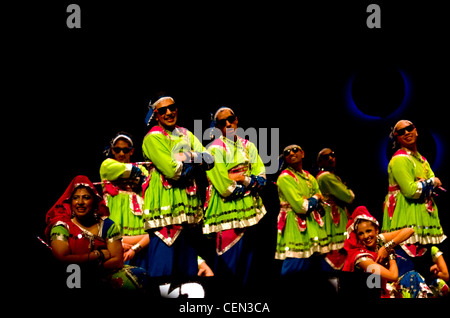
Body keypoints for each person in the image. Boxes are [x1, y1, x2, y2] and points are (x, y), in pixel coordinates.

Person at [142, 95, 214, 278]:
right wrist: (194, 157)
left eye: (172, 107)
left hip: (188, 210)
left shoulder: (186, 133)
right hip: (164, 209)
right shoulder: (152, 138)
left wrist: (185, 156)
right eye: (163, 110)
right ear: (156, 115)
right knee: (163, 273)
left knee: (188, 273)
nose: (169, 112)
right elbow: (174, 171)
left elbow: (210, 159)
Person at [45, 175, 149, 291]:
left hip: (103, 276)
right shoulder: (62, 226)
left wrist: (90, 267)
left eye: (86, 197)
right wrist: (97, 255)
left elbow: (117, 260)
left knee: (138, 276)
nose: (80, 202)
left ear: (94, 201)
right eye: (76, 198)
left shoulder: (107, 225)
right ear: (70, 202)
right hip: (72, 275)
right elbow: (62, 258)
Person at [203, 107, 267, 288]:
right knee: (228, 266)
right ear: (217, 127)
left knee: (249, 266)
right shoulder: (213, 149)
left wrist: (241, 177)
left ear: (236, 119)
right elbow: (224, 187)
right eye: (222, 123)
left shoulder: (248, 146)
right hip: (226, 211)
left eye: (230, 119)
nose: (228, 124)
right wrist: (248, 181)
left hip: (251, 212)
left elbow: (262, 176)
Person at [382, 120, 446, 274]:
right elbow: (411, 191)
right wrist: (430, 183)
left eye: (409, 129)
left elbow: (437, 186)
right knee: (405, 273)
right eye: (401, 132)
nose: (406, 133)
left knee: (422, 275)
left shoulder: (422, 160)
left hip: (421, 220)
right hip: (404, 218)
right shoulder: (400, 159)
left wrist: (427, 183)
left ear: (416, 131)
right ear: (397, 138)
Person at [275, 144, 331, 275]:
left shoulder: (309, 177)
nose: (291, 153)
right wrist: (315, 198)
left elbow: (319, 200)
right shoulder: (285, 178)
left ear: (303, 153)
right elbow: (302, 207)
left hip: (312, 224)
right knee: (295, 264)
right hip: (294, 225)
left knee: (315, 266)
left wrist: (313, 199)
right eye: (287, 152)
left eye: (295, 150)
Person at [100, 132, 150, 270]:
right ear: (112, 151)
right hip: (115, 227)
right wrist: (137, 177)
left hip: (139, 230)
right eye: (117, 149)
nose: (121, 153)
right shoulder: (106, 165)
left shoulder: (142, 169)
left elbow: (147, 182)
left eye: (125, 150)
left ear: (132, 151)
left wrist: (139, 176)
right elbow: (138, 175)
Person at [316, 148, 355, 270]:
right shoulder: (326, 177)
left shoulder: (331, 176)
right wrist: (347, 192)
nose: (330, 158)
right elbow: (349, 196)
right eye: (325, 157)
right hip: (332, 218)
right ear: (320, 162)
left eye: (332, 155)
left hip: (334, 215)